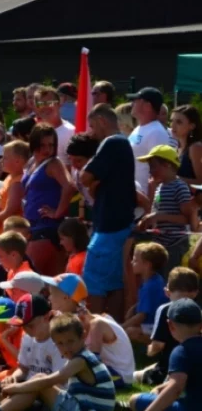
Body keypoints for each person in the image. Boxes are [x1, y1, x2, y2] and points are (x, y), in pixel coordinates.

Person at [0, 313, 115, 411]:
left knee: (41, 382)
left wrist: (15, 388)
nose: (66, 348)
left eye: (70, 341)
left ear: (83, 337)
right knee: (38, 380)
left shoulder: (81, 360)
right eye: (61, 344)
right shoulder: (82, 356)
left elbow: (52, 380)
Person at [80, 104, 136, 319]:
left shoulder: (112, 142)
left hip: (109, 227)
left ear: (103, 121)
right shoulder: (122, 143)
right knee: (113, 283)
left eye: (93, 126)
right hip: (116, 223)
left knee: (93, 279)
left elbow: (86, 177)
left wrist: (93, 181)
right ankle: (112, 329)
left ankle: (93, 328)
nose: (91, 132)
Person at [128, 298, 202, 411]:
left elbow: (176, 387)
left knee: (134, 400)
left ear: (170, 325)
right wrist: (161, 387)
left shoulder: (181, 351)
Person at [22, 124, 74, 276]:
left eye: (51, 145)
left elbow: (70, 186)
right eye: (42, 145)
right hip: (31, 225)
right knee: (43, 279)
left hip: (47, 227)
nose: (47, 149)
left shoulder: (54, 163)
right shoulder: (32, 162)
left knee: (30, 276)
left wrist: (58, 213)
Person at [136, 145, 195, 276]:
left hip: (175, 244)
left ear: (167, 165)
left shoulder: (179, 187)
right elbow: (155, 211)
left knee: (171, 278)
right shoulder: (159, 187)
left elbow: (187, 218)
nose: (151, 171)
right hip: (160, 243)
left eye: (153, 166)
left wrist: (159, 217)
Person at [135, 267, 199, 386]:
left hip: (170, 370)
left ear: (167, 292)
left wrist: (148, 352)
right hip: (195, 370)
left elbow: (157, 346)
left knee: (136, 375)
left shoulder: (166, 310)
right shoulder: (197, 310)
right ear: (196, 292)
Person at [124, 242, 169, 344]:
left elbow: (141, 316)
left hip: (155, 326)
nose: (131, 262)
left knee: (129, 331)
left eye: (135, 260)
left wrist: (121, 328)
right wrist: (133, 308)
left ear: (147, 265)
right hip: (151, 323)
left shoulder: (150, 286)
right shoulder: (154, 279)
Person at [127, 87, 170, 193]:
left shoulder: (157, 132)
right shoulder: (139, 128)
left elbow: (160, 172)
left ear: (147, 106)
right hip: (134, 196)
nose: (132, 103)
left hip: (144, 199)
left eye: (136, 100)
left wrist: (149, 204)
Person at [170, 104, 202, 184]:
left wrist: (173, 178)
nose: (172, 125)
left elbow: (200, 182)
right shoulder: (176, 148)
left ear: (192, 126)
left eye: (179, 122)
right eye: (171, 121)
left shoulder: (195, 148)